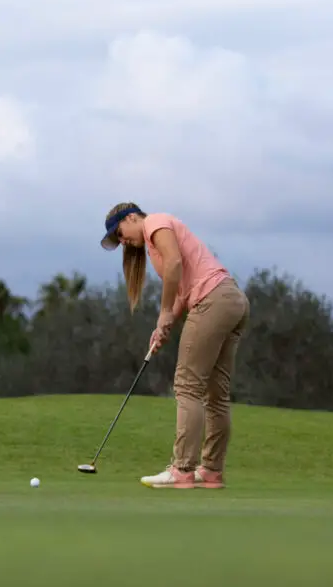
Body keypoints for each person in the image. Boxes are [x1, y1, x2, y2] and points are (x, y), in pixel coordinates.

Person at [100, 202, 250, 489]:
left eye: (120, 233)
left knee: (187, 386)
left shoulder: (155, 222)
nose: (122, 242)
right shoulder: (156, 239)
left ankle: (182, 469)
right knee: (215, 394)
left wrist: (165, 312)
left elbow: (175, 265)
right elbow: (181, 288)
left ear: (132, 217)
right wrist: (163, 327)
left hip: (213, 300)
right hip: (233, 301)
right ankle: (211, 471)